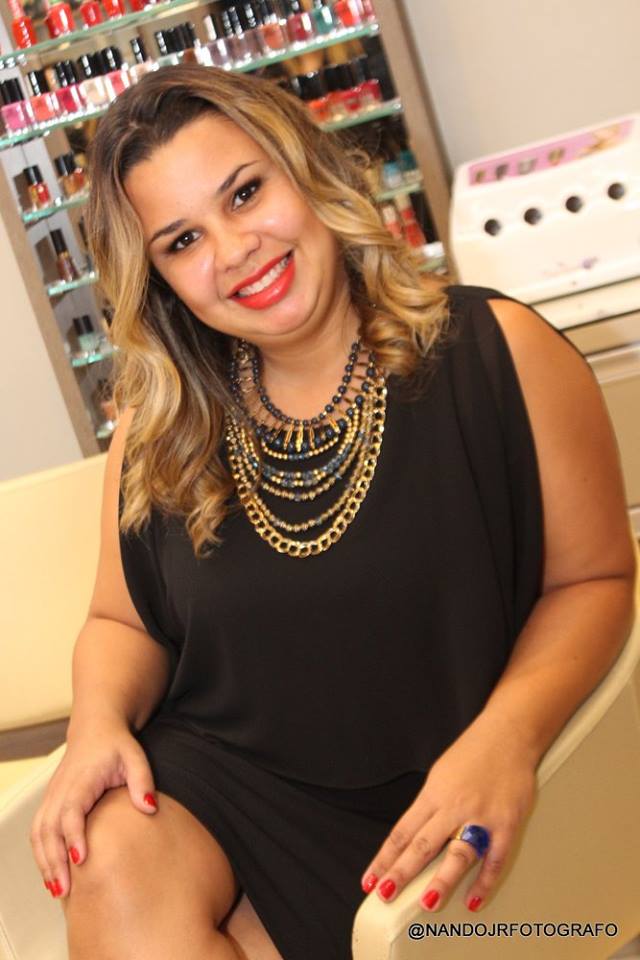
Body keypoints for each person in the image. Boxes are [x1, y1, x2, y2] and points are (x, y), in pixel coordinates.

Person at [29, 63, 636, 960]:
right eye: (183, 240)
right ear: (159, 281)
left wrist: (506, 738)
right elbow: (123, 621)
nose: (235, 249)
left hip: (453, 774)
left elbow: (594, 580)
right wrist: (96, 724)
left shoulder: (499, 353)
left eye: (245, 192)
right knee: (112, 862)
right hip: (233, 790)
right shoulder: (162, 432)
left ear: (306, 168)